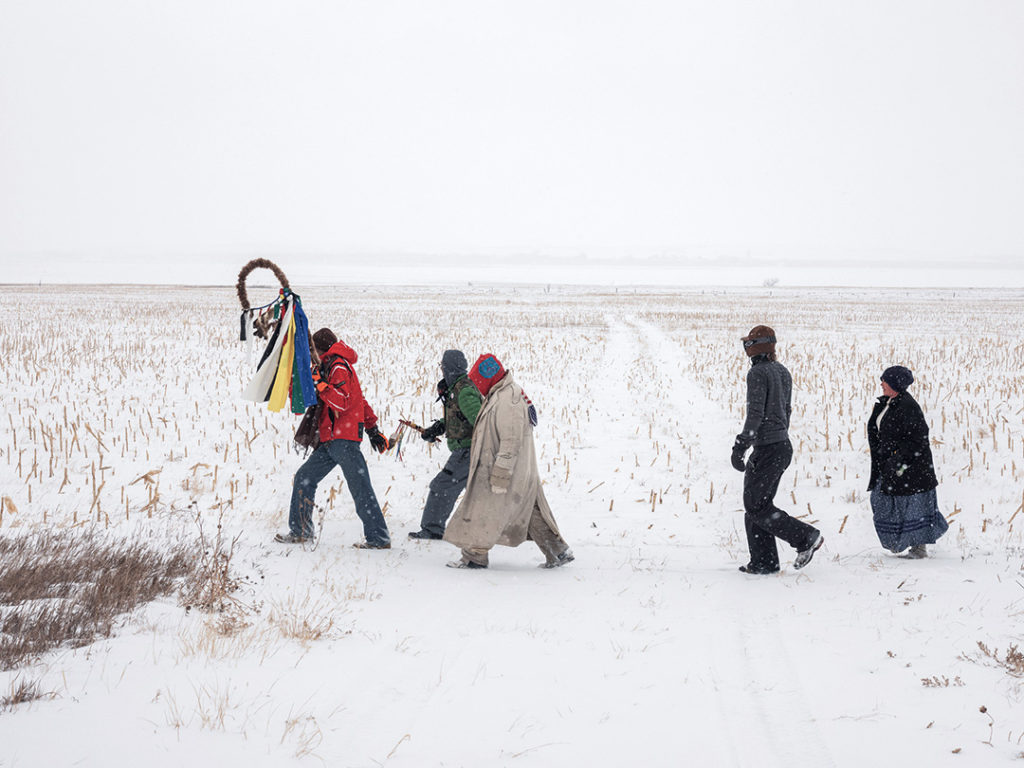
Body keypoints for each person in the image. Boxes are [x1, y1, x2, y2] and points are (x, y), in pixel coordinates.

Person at [443, 354, 573, 569]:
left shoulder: (508, 400)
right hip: (513, 468)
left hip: (503, 467)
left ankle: (474, 557)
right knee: (528, 508)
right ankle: (558, 551)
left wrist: (501, 472)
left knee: (484, 509)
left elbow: (511, 440)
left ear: (489, 378)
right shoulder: (502, 394)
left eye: (479, 383)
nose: (478, 388)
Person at [275, 328, 391, 548]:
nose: (312, 355)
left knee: (360, 487)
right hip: (330, 439)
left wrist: (320, 384)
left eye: (314, 351)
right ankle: (301, 531)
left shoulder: (337, 366)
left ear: (322, 350)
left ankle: (379, 538)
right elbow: (360, 400)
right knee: (304, 478)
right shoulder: (327, 366)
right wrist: (372, 428)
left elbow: (342, 402)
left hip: (343, 439)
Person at [730, 326, 823, 574]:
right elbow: (787, 411)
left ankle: (806, 537)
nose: (746, 349)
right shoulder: (782, 371)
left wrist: (740, 446)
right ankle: (764, 562)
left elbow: (755, 414)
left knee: (756, 506)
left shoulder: (758, 373)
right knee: (757, 505)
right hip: (780, 446)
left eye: (748, 344)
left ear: (755, 347)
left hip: (769, 448)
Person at [867, 365, 948, 558]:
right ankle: (897, 542)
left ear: (895, 384)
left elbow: (918, 440)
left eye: (884, 381)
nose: (881, 384)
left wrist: (898, 462)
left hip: (911, 469)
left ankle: (917, 548)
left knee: (913, 506)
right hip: (891, 464)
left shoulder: (908, 407)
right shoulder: (888, 402)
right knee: (883, 501)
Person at [408, 350, 484, 540]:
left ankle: (432, 529)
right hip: (469, 450)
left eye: (443, 365)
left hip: (467, 451)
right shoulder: (457, 387)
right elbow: (459, 416)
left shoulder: (464, 391)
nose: (441, 369)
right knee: (481, 495)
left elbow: (481, 421)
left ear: (451, 367)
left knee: (441, 487)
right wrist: (437, 428)